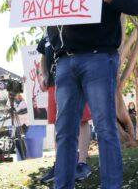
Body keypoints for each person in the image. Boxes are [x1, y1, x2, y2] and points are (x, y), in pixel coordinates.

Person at [47, 0, 138, 189]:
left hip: (99, 59)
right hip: (65, 62)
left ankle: (110, 185)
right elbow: (50, 11)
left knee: (105, 128)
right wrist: (55, 48)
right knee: (64, 132)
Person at [36, 35, 93, 183]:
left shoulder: (72, 24)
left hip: (76, 78)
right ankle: (60, 164)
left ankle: (81, 163)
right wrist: (44, 75)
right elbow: (43, 56)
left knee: (83, 120)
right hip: (54, 83)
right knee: (58, 123)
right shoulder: (47, 34)